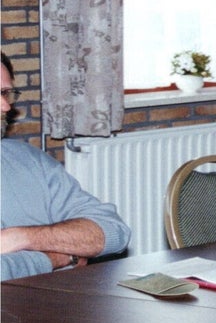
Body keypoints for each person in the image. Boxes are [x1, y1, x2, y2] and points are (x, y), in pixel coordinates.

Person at [0, 53, 131, 281]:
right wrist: (57, 258)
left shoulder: (28, 159)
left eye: (4, 93)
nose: (5, 105)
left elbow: (112, 231)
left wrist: (20, 237)